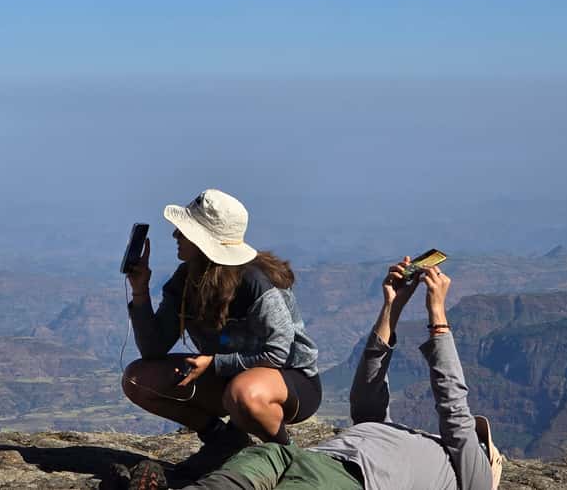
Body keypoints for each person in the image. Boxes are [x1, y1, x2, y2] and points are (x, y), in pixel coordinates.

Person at [172, 258, 503, 490]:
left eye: (481, 446)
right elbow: (367, 390)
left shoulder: (472, 480)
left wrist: (437, 315)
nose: (475, 441)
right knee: (230, 478)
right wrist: (392, 306)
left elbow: (453, 408)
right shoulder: (392, 433)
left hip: (344, 481)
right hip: (296, 456)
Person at [122, 189, 321, 473]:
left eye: (184, 231)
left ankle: (289, 459)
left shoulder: (256, 282)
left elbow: (279, 353)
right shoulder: (186, 278)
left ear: (204, 241)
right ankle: (223, 440)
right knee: (138, 380)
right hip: (227, 378)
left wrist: (215, 363)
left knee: (243, 393)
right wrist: (140, 291)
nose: (176, 235)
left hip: (288, 381)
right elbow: (153, 349)